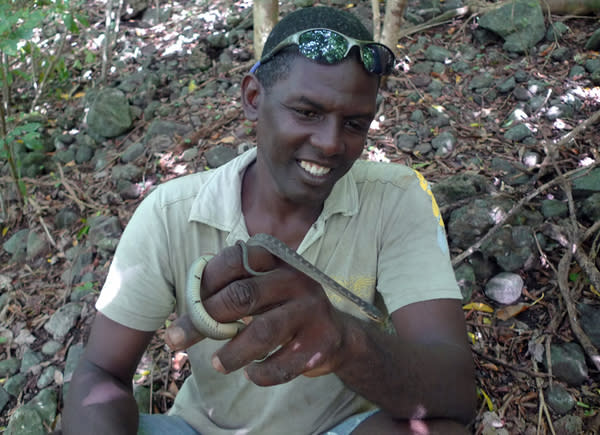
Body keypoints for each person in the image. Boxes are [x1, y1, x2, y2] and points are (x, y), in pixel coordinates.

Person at [64, 6, 476, 435]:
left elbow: (455, 393)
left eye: (354, 123)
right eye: (307, 112)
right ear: (253, 99)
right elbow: (100, 372)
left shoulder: (396, 198)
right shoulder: (170, 213)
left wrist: (345, 343)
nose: (331, 143)